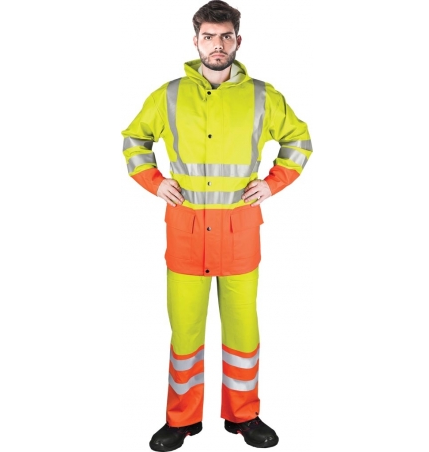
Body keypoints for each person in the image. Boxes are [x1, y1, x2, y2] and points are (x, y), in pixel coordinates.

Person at [121, 1, 312, 450]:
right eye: (209, 36)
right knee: (185, 334)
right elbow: (134, 140)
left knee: (243, 334)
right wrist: (154, 181)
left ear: (238, 41)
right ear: (196, 42)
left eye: (226, 36)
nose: (217, 44)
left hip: (239, 236)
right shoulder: (168, 95)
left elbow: (299, 141)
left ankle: (243, 416)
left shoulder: (263, 96)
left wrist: (272, 184)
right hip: (186, 236)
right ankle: (181, 420)